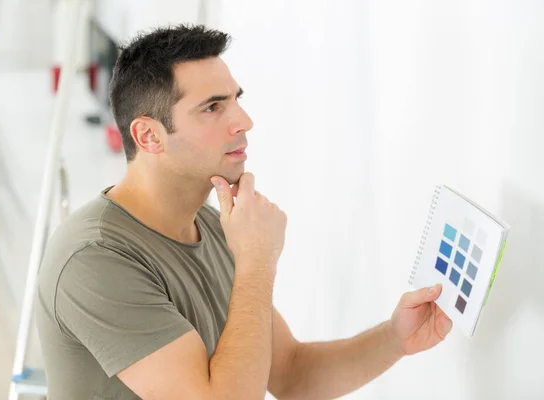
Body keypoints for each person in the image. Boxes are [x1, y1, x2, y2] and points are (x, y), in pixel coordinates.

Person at [35, 24, 453, 399]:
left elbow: (290, 372)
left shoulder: (213, 226)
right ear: (149, 136)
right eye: (213, 108)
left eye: (236, 100)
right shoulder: (96, 258)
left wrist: (395, 339)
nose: (244, 121)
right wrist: (256, 262)